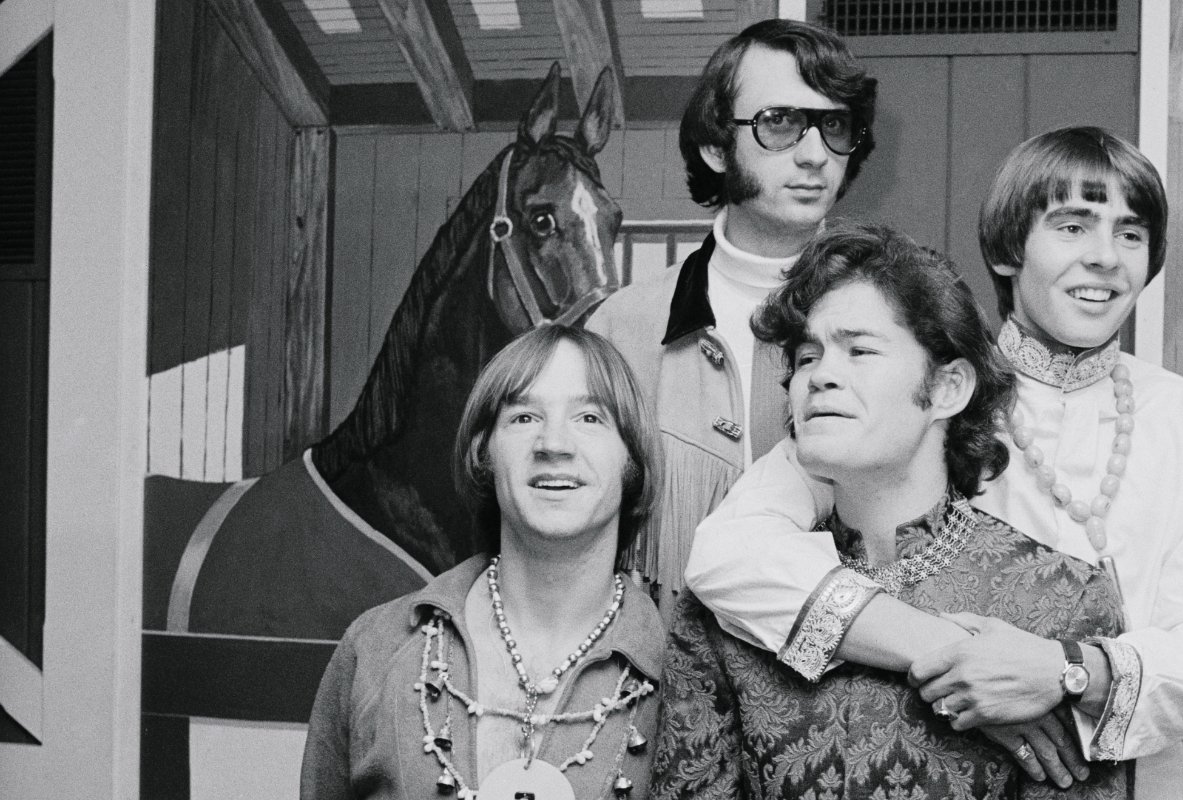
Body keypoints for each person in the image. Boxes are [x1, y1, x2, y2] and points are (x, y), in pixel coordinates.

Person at [684, 128, 1183, 799]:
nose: (1106, 257)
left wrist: (1064, 672)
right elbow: (730, 554)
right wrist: (949, 652)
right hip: (935, 752)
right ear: (1010, 246)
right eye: (1073, 226)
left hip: (1147, 771)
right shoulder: (915, 394)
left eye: (1130, 234)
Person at [653, 222, 1129, 799]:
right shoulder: (722, 608)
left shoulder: (1062, 601)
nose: (820, 376)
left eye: (860, 350)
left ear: (948, 388)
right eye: (806, 357)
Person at [585, 19, 876, 619]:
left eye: (834, 124)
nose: (816, 153)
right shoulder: (622, 328)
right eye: (780, 123)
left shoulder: (899, 316)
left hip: (842, 696)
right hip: (658, 690)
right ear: (715, 147)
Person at [301, 325, 666, 800]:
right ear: (483, 454)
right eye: (523, 417)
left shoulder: (687, 678)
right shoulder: (373, 649)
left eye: (590, 418)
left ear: (632, 461)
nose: (553, 443)